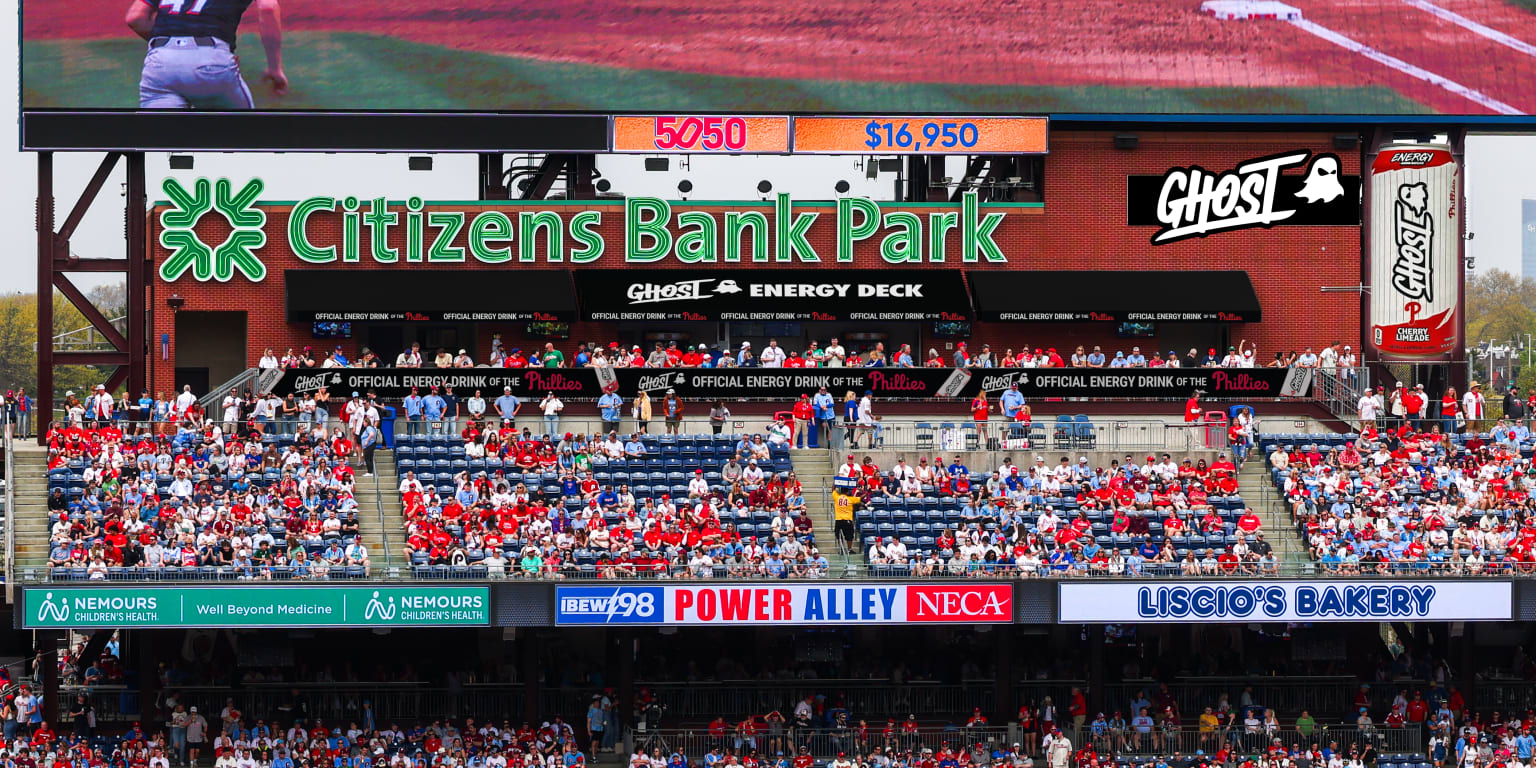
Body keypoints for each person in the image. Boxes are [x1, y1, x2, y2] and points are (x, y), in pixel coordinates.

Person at [126, 0, 287, 109]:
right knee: (244, 138)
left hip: (159, 65)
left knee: (163, 144)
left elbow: (135, 18)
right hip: (210, 62)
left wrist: (172, 46)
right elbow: (268, 7)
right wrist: (274, 68)